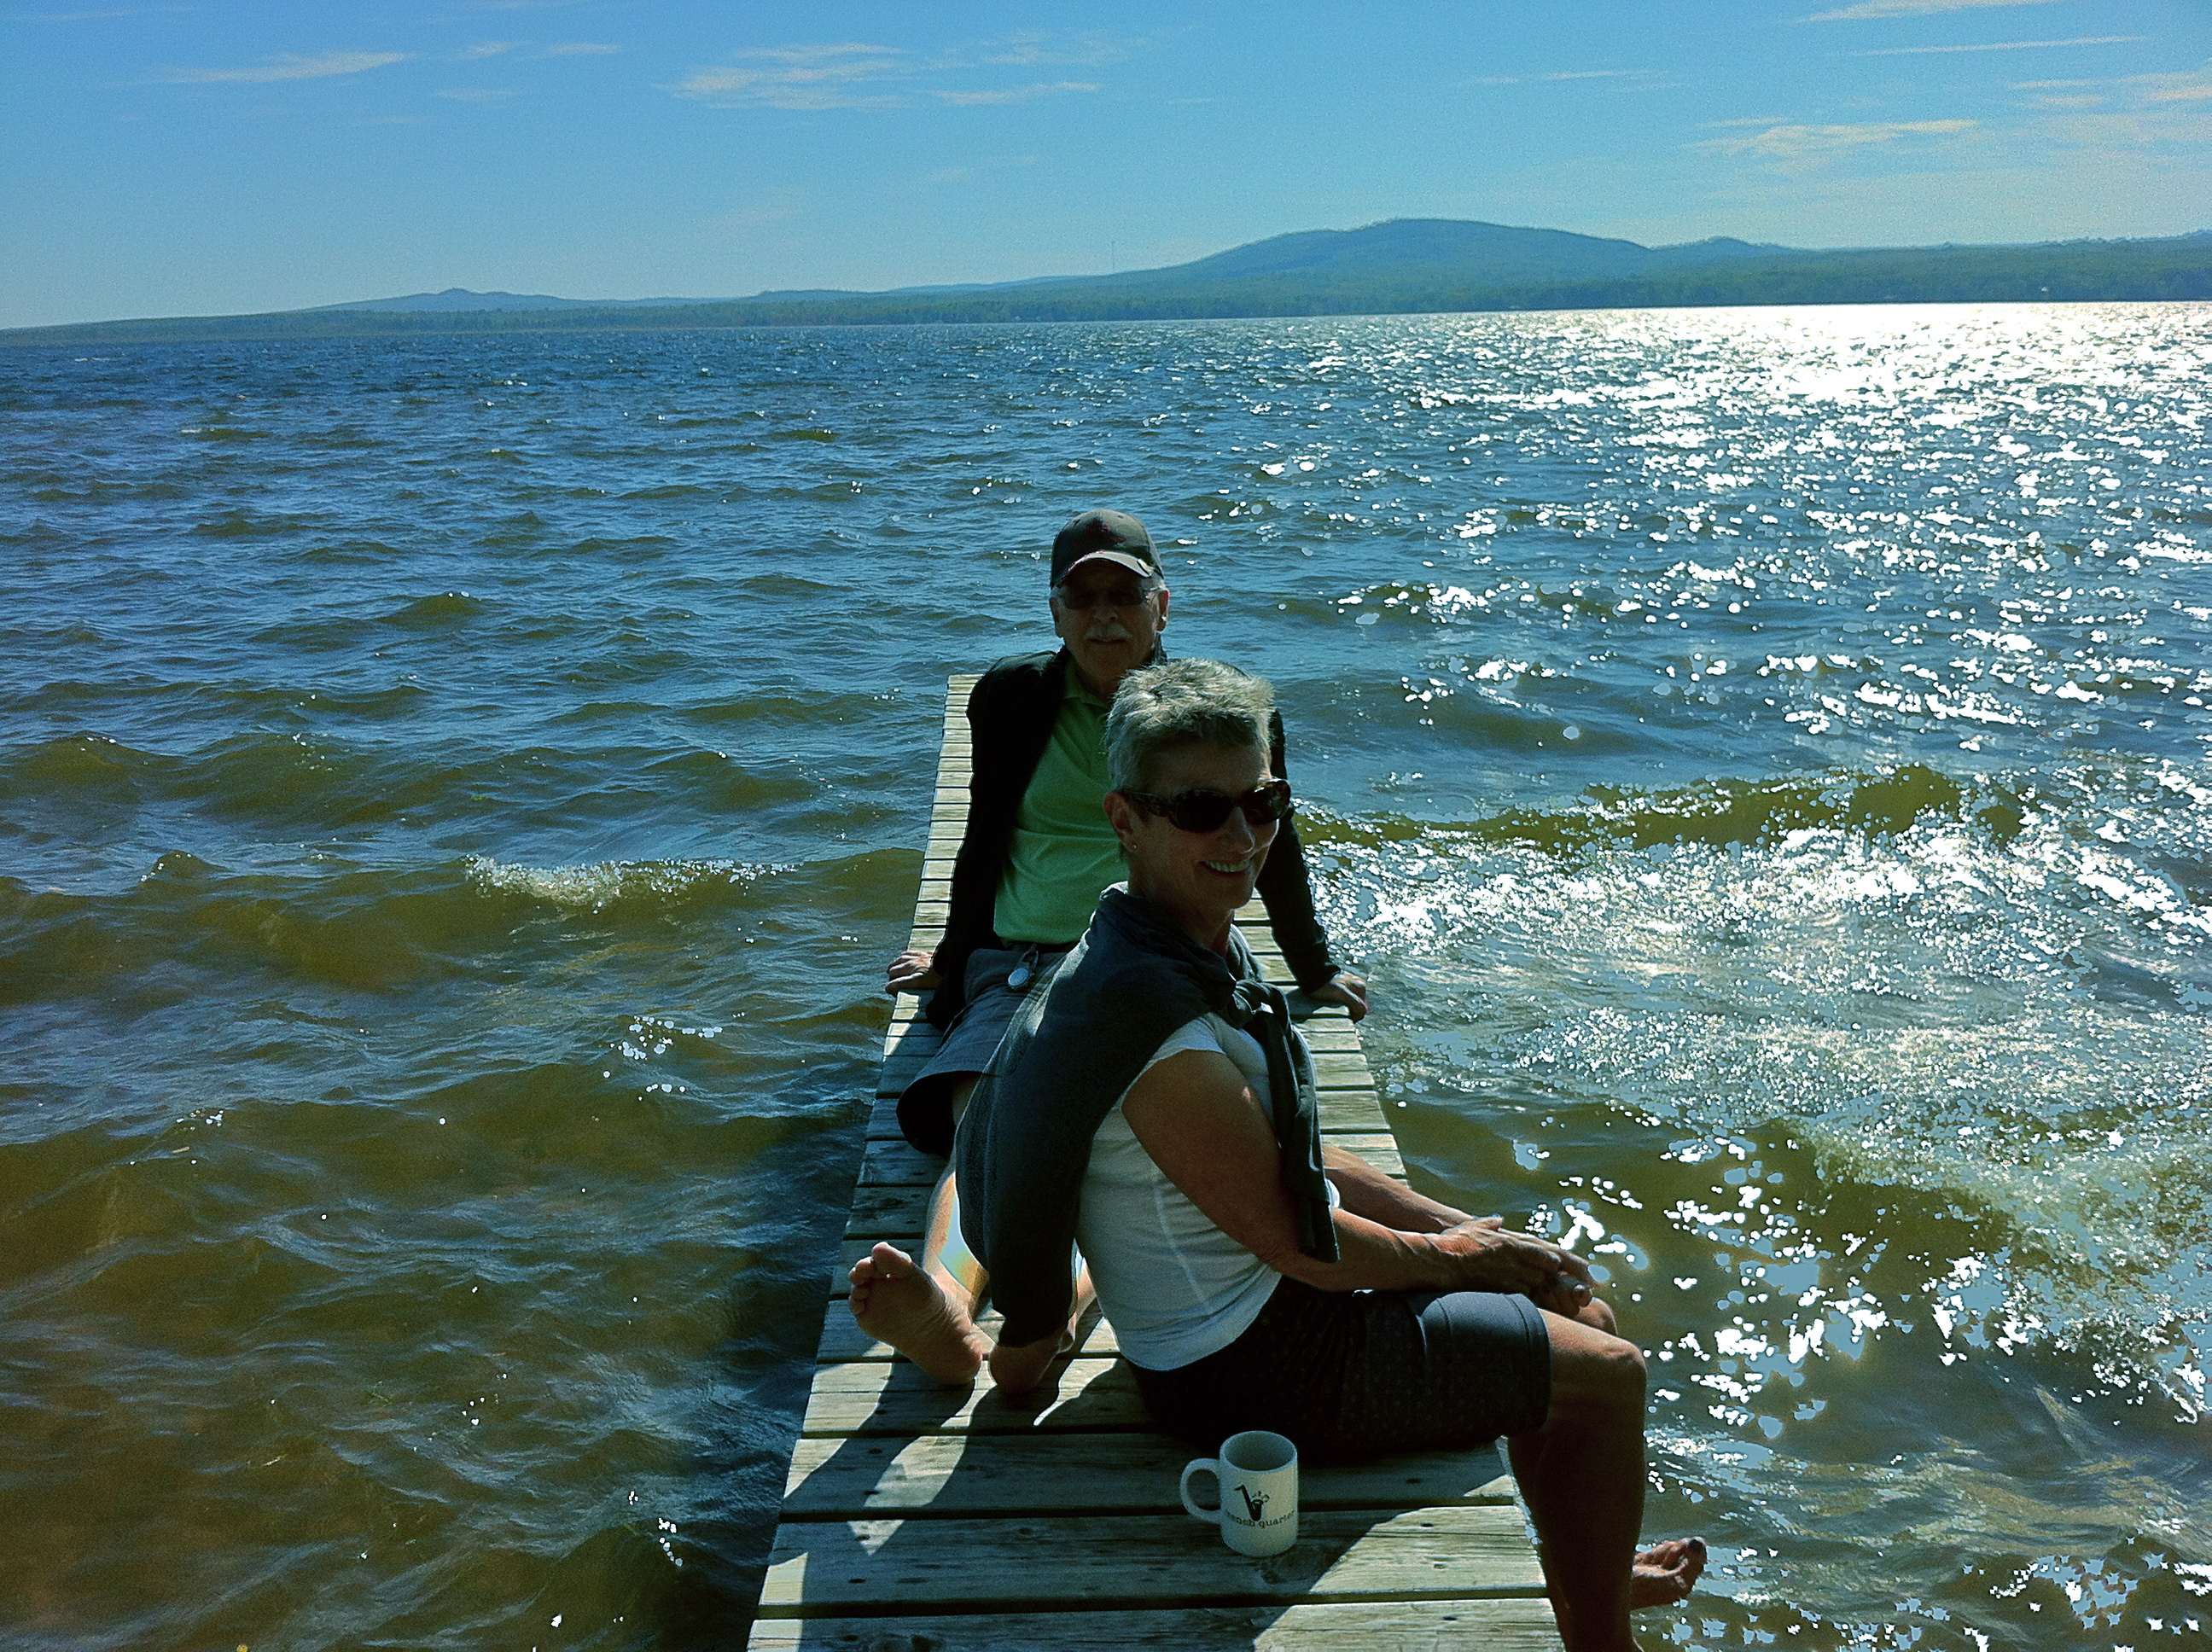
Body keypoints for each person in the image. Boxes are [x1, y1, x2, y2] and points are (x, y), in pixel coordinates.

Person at [949, 659, 1703, 1651]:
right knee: (1611, 1373)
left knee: (1576, 1309)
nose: (1242, 836)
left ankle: (1585, 1571)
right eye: (1202, 809)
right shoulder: (1155, 1027)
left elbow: (1292, 1152)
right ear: (1125, 819)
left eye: (1262, 802)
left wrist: (1457, 1227)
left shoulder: (1175, 939)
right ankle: (1601, 1636)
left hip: (1262, 1321)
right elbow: (1299, 1239)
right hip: (1242, 1368)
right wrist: (1467, 1259)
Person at [854, 509, 1365, 1387]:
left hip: (1156, 951)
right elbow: (984, 830)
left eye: (1124, 596)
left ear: (1162, 606)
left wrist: (1312, 967)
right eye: (1081, 597)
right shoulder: (1011, 698)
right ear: (1054, 611)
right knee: (988, 1117)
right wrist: (950, 956)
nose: (1103, 616)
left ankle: (1054, 1311)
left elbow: (1273, 837)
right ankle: (946, 1304)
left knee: (1156, 1148)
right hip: (1027, 957)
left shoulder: (1215, 714)